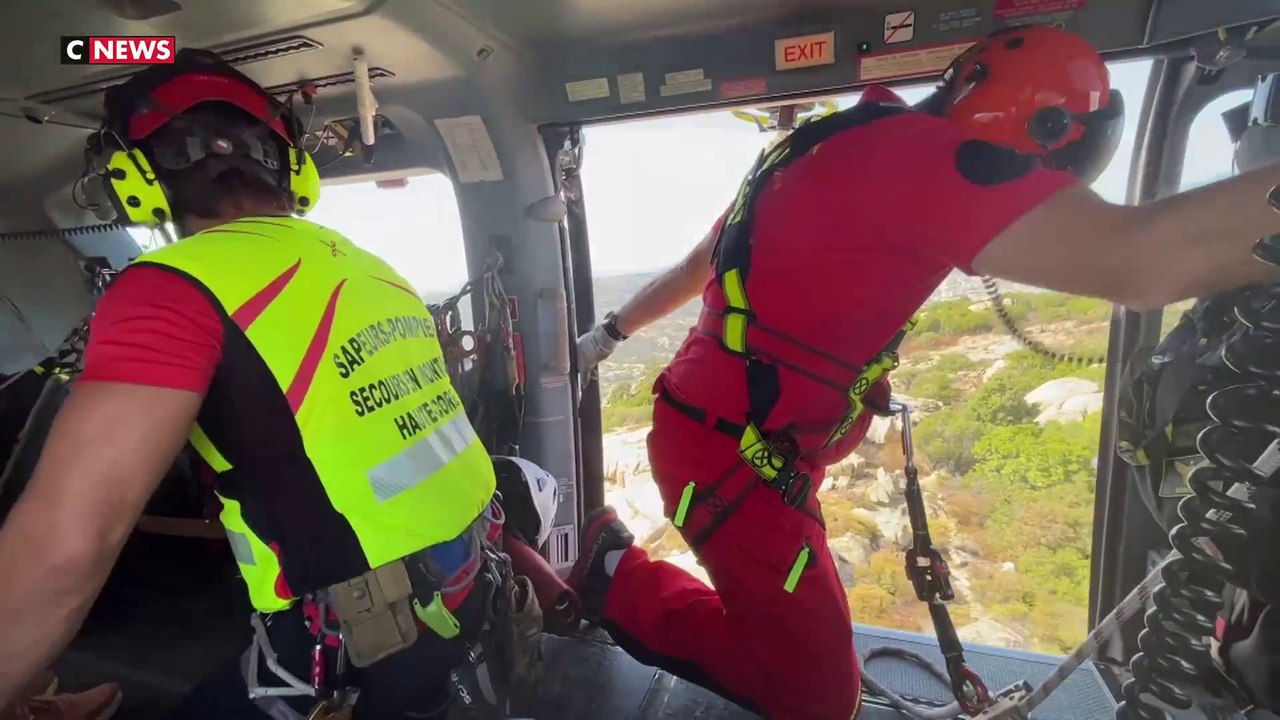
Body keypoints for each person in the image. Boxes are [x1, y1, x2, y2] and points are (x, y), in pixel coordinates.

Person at [571, 25, 1280, 720]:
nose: (1036, 190)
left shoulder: (830, 142)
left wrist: (607, 334)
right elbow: (1142, 259)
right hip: (732, 457)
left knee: (803, 644)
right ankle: (613, 580)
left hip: (729, 440)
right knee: (818, 700)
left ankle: (623, 573)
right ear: (1043, 130)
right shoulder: (929, 159)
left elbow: (699, 264)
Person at [0, 49, 516, 720]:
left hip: (353, 648)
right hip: (468, 597)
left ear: (132, 180)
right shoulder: (368, 266)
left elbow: (65, 550)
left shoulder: (171, 288)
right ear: (295, 172)